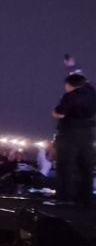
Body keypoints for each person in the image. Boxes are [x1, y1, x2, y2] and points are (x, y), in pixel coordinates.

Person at [50, 72, 96, 207]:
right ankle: (85, 198)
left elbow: (60, 113)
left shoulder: (70, 96)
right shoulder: (92, 94)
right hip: (87, 134)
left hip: (69, 132)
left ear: (70, 85)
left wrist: (54, 112)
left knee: (66, 165)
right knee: (85, 166)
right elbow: (86, 83)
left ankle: (65, 197)